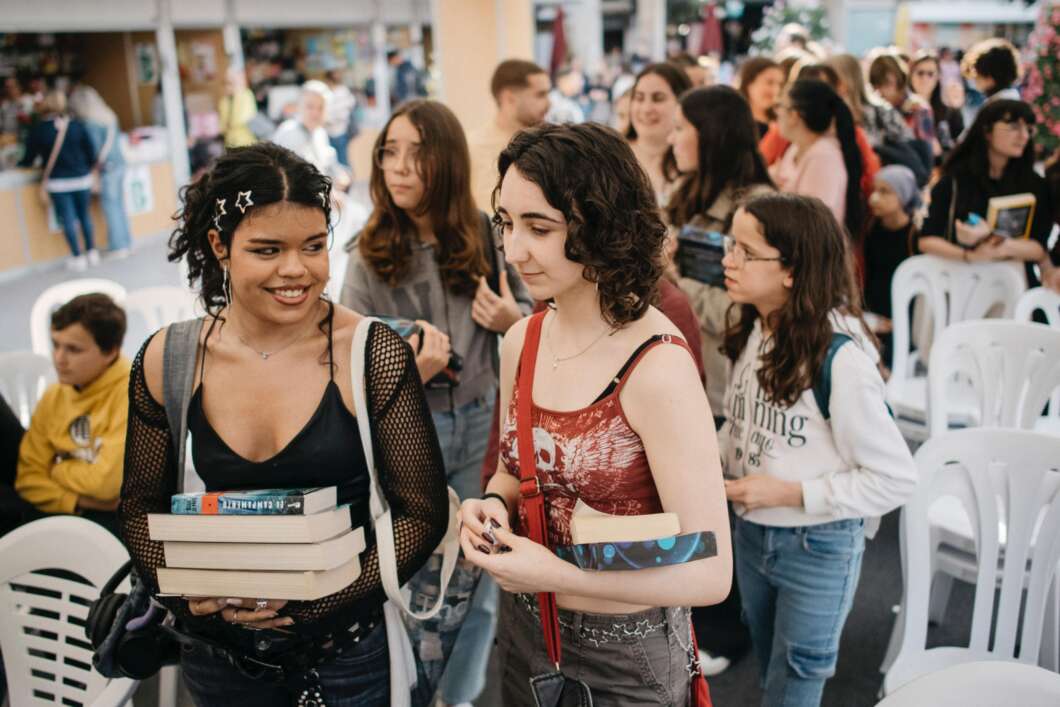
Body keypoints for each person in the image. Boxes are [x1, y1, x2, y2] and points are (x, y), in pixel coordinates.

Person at [120, 142, 450, 705]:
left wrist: (319, 603)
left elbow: (421, 513)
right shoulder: (168, 359)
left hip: (345, 656)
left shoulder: (371, 354)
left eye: (314, 246)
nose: (296, 270)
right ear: (220, 246)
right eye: (267, 249)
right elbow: (137, 507)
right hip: (216, 659)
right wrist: (188, 599)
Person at [461, 122, 732, 706]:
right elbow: (514, 470)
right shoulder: (522, 341)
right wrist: (489, 505)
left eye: (540, 227)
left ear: (602, 226)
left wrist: (552, 573)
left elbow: (712, 573)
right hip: (526, 631)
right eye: (507, 223)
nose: (514, 249)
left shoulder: (655, 365)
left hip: (626, 653)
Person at [341, 99, 533, 707]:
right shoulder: (367, 250)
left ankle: (462, 693)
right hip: (406, 432)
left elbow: (538, 322)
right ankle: (416, 692)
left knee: (478, 571)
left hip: (481, 425)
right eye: (389, 151)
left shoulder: (484, 231)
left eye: (416, 153)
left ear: (445, 162)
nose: (399, 167)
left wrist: (511, 319)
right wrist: (406, 372)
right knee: (410, 574)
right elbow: (344, 358)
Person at [719, 192, 917, 707]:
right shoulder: (756, 328)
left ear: (792, 270)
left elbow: (896, 478)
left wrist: (789, 492)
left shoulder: (841, 361)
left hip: (816, 546)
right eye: (729, 244)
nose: (727, 259)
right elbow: (744, 428)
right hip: (753, 533)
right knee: (772, 669)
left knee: (797, 679)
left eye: (745, 250)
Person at [665, 83, 774, 676]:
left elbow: (742, 311)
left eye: (684, 127)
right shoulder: (684, 194)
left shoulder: (753, 207)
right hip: (680, 372)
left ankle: (730, 632)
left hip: (726, 379)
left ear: (714, 136)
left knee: (720, 506)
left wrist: (674, 278)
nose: (674, 138)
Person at [1, 293, 129, 537]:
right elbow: (27, 480)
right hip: (70, 512)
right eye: (56, 345)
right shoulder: (54, 396)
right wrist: (79, 500)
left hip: (119, 522)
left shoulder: (131, 393)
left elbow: (107, 484)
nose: (59, 359)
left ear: (110, 351)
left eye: (73, 349)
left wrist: (56, 469)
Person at [919, 99, 1052, 284]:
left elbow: (1039, 248)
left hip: (1014, 284)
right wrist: (969, 255)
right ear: (987, 131)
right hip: (959, 283)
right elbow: (927, 240)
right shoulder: (955, 181)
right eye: (1013, 126)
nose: (1023, 136)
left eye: (1028, 129)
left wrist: (998, 244)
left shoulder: (1034, 184)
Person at [770, 79, 863, 237]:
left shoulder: (823, 158)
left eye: (780, 106)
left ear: (794, 115)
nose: (776, 112)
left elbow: (812, 224)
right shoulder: (796, 147)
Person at [18, 89, 99, 271]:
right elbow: (91, 153)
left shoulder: (39, 130)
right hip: (82, 179)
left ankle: (77, 257)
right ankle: (92, 253)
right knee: (84, 216)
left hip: (59, 183)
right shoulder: (77, 126)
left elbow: (28, 158)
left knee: (68, 219)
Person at [467, 60, 551, 213]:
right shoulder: (473, 148)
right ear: (509, 98)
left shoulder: (549, 145)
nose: (548, 103)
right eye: (540, 95)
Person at [69, 84, 132, 257]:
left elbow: (95, 151)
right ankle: (126, 242)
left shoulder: (91, 123)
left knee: (111, 207)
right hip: (120, 164)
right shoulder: (109, 116)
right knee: (119, 205)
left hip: (107, 169)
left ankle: (119, 246)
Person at [625, 62, 692, 205]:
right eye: (639, 98)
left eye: (658, 98)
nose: (646, 108)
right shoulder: (612, 156)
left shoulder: (693, 162)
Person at [271, 79, 351, 192]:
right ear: (299, 106)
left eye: (321, 107)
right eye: (310, 106)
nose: (315, 113)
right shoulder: (288, 132)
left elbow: (329, 164)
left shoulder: (320, 133)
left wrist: (341, 176)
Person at [868, 53, 937, 148]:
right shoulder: (876, 110)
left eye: (887, 83)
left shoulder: (919, 108)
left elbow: (928, 150)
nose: (881, 91)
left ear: (900, 79)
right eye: (877, 85)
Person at [909, 51, 964, 159]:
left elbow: (961, 149)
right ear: (911, 75)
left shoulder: (951, 113)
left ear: (938, 76)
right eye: (920, 73)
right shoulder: (901, 110)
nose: (925, 78)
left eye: (930, 74)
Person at [738, 57, 784, 139]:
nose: (776, 90)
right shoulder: (735, 121)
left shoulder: (781, 121)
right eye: (769, 82)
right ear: (750, 83)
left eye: (779, 84)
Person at [324, 69, 357, 168]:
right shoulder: (328, 92)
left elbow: (343, 113)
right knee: (334, 160)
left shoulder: (341, 92)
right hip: (329, 131)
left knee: (342, 160)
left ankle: (347, 181)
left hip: (339, 130)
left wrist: (327, 119)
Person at [218, 67, 257, 149]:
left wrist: (237, 93)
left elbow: (241, 119)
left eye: (231, 82)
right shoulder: (224, 101)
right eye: (226, 82)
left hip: (246, 140)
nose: (228, 86)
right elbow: (222, 126)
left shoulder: (246, 95)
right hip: (230, 141)